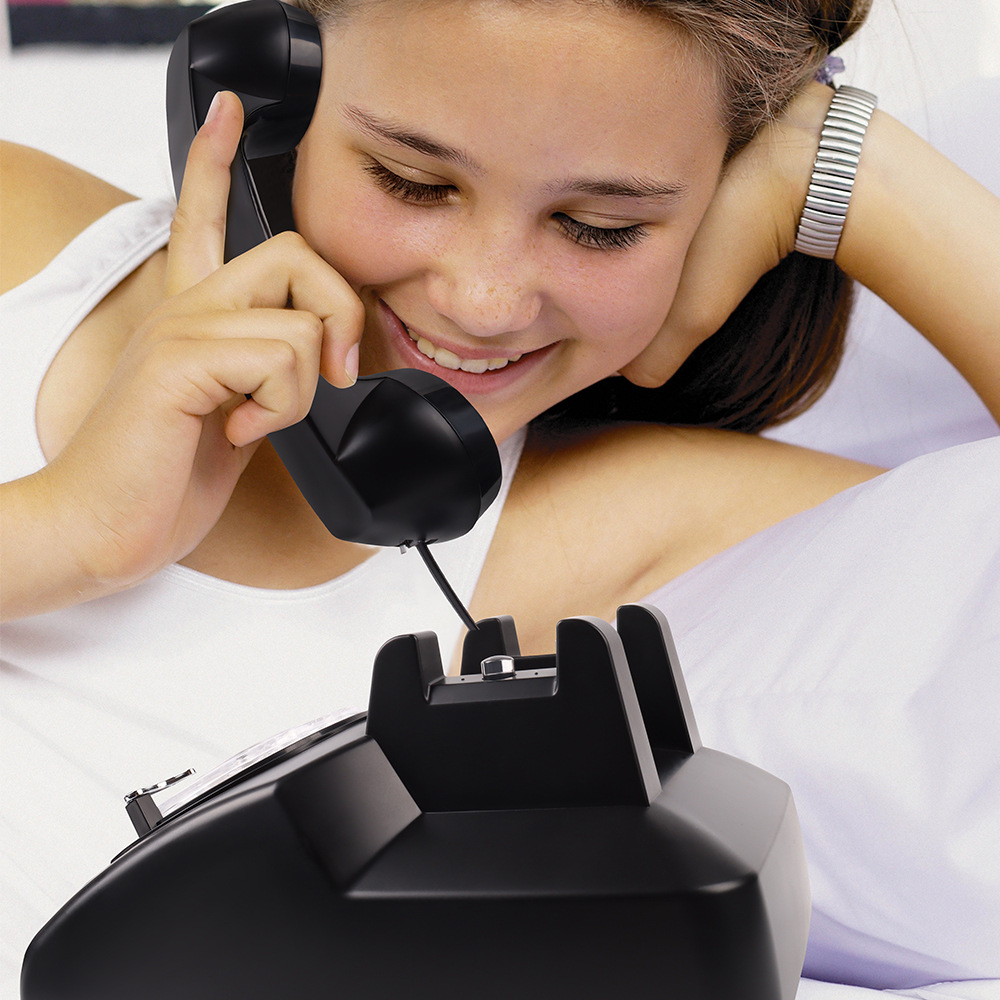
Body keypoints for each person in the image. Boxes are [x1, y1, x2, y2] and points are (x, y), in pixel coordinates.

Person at [1, 0, 998, 992]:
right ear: (263, 98)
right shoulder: (21, 237)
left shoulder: (629, 524)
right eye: (411, 180)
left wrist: (850, 170)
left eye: (601, 228)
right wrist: (61, 531)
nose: (483, 301)